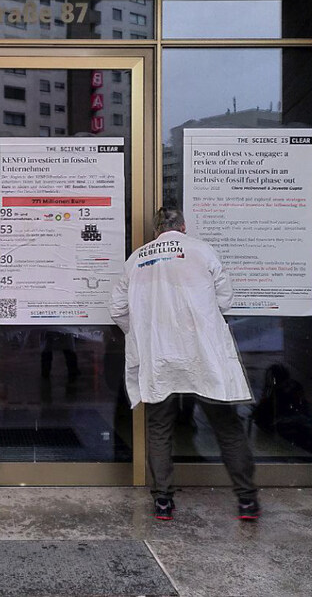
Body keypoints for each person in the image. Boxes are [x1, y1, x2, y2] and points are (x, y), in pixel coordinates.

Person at [110, 207, 258, 521]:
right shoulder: (202, 251)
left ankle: (163, 500)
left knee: (159, 428)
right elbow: (225, 300)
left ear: (156, 231)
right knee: (227, 427)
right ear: (183, 227)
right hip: (202, 354)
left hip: (158, 355)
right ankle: (246, 500)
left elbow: (117, 310)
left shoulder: (137, 259)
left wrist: (143, 333)